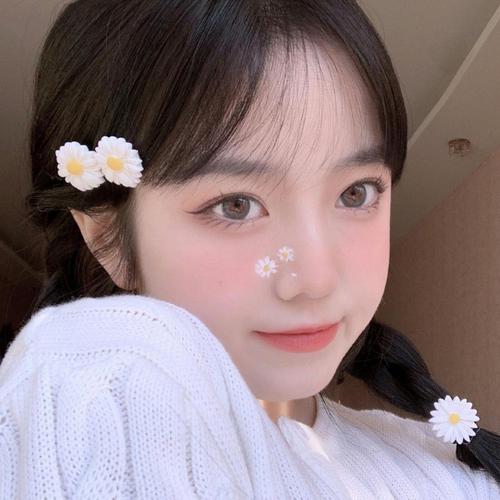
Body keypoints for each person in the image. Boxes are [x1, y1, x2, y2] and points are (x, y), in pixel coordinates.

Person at [0, 0, 499, 497]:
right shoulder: (86, 401)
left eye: (356, 193)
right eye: (235, 206)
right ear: (105, 237)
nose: (316, 280)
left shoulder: (450, 470)